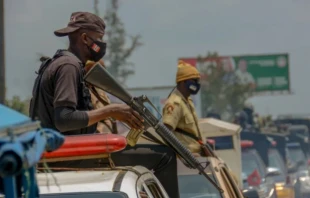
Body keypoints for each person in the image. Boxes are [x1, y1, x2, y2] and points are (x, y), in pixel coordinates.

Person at [30, 12, 179, 198]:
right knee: (164, 157)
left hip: (61, 152)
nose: (101, 45)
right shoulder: (69, 66)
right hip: (70, 156)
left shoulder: (62, 63)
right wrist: (112, 110)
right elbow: (64, 119)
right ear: (85, 38)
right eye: (99, 39)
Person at [162, 60, 203, 155]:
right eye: (194, 80)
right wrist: (182, 153)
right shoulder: (175, 103)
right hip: (185, 159)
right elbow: (166, 133)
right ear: (182, 82)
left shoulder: (188, 101)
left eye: (197, 81)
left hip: (196, 155)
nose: (197, 84)